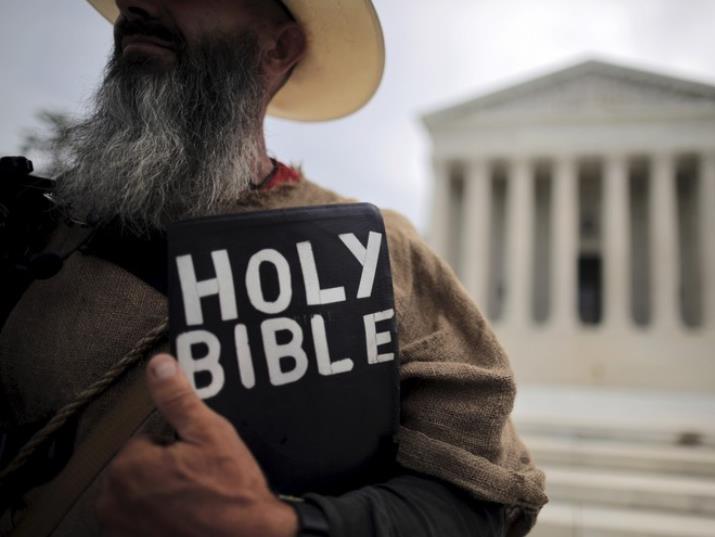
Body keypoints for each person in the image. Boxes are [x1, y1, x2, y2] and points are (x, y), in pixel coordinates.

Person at [0, 1, 548, 536]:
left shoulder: (378, 252)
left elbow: (478, 501)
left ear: (280, 45)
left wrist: (280, 525)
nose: (137, 6)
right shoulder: (49, 224)